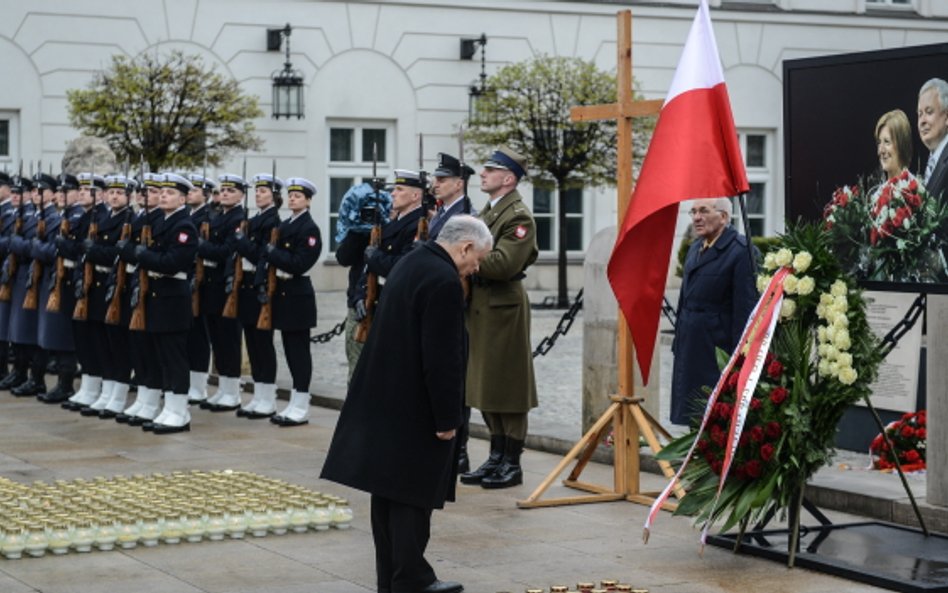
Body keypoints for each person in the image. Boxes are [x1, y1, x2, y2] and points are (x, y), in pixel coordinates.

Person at [321, 214, 492, 593]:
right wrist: (448, 418)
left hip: (386, 400)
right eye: (476, 258)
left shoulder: (411, 262)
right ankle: (412, 579)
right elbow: (441, 357)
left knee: (388, 494)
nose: (475, 267)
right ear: (464, 246)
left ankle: (394, 577)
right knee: (414, 497)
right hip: (416, 406)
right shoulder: (444, 280)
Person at [460, 146, 538, 490]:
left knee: (509, 385)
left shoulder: (518, 217)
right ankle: (495, 455)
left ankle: (512, 461)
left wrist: (464, 258)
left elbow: (504, 264)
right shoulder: (488, 211)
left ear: (508, 178)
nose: (482, 174)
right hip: (481, 306)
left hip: (503, 308)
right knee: (484, 383)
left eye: (490, 170)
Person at [670, 197, 757, 426]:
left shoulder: (740, 252)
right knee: (692, 418)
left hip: (716, 352)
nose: (697, 217)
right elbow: (684, 299)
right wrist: (678, 340)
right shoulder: (695, 248)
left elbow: (744, 312)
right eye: (694, 212)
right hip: (690, 347)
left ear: (724, 217)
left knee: (714, 422)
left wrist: (738, 362)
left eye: (704, 211)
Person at [132, 173, 199, 434]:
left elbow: (172, 263)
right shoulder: (161, 221)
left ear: (182, 198)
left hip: (172, 297)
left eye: (169, 193)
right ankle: (169, 408)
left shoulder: (184, 226)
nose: (163, 196)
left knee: (175, 358)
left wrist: (144, 256)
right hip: (158, 296)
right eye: (161, 192)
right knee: (162, 357)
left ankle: (179, 411)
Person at [264, 177, 322, 426]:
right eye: (291, 195)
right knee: (288, 349)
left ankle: (301, 404)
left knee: (299, 352)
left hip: (297, 295)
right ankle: (293, 403)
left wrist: (272, 253)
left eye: (298, 196)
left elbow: (300, 264)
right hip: (282, 293)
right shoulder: (286, 224)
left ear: (308, 201)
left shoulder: (309, 229)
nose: (292, 199)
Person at [234, 173, 282, 418]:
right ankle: (259, 394)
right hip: (246, 285)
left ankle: (268, 396)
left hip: (260, 284)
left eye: (263, 191)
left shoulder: (273, 221)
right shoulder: (253, 220)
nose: (258, 194)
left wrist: (242, 243)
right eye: (257, 191)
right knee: (251, 342)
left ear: (274, 195)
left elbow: (261, 255)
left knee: (263, 343)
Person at [197, 173, 246, 412]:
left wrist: (202, 246)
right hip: (210, 284)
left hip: (225, 284)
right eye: (223, 190)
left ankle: (233, 390)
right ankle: (224, 388)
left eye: (231, 190)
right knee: (217, 338)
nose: (225, 194)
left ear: (241, 195)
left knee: (229, 339)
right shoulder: (218, 216)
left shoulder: (239, 218)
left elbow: (226, 250)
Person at [335, 181, 391, 382]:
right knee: (356, 365)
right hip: (357, 299)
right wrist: (357, 230)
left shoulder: (391, 229)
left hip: (382, 302)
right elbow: (343, 258)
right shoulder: (356, 231)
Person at [185, 172, 216, 403]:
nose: (189, 194)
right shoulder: (188, 215)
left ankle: (199, 384)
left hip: (204, 284)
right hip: (189, 280)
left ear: (205, 195)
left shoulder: (208, 217)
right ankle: (191, 382)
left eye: (194, 190)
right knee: (190, 334)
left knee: (200, 336)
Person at [428, 153, 474, 239]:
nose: (435, 185)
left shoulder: (466, 215)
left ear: (459, 184)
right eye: (436, 180)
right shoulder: (442, 211)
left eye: (441, 181)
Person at [918, 78, 948, 201]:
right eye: (919, 114)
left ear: (946, 117)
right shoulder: (929, 161)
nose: (922, 121)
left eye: (929, 112)